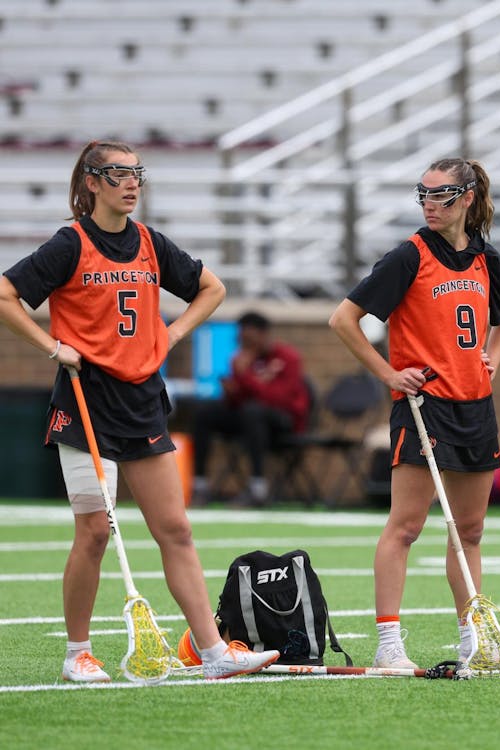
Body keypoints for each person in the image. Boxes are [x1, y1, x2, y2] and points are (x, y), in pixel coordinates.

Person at [0, 140, 279, 681]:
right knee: (94, 533)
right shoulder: (69, 244)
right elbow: (6, 294)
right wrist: (51, 347)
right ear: (92, 182)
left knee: (175, 529)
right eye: (120, 175)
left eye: (138, 174)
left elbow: (211, 288)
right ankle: (77, 653)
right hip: (85, 405)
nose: (132, 184)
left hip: (142, 401)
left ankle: (214, 651)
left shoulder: (150, 243)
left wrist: (172, 332)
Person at [330, 158, 500, 670]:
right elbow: (344, 318)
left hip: (474, 407)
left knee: (470, 531)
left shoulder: (485, 257)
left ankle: (470, 636)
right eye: (424, 195)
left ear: (468, 198)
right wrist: (389, 374)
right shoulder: (408, 256)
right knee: (405, 527)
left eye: (442, 195)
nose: (431, 204)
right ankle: (390, 642)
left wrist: (491, 360)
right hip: (423, 406)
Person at [191, 310, 310, 506]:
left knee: (253, 412)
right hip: (251, 421)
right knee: (205, 412)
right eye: (242, 340)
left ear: (263, 335)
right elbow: (240, 402)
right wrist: (232, 391)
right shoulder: (241, 359)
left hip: (284, 422)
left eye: (250, 339)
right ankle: (200, 484)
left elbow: (279, 399)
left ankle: (258, 486)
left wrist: (245, 377)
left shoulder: (288, 358)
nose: (245, 345)